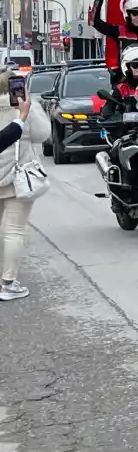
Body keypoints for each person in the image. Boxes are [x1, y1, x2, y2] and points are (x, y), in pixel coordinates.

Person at [0, 94, 34, 301]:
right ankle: (8, 284)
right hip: (16, 176)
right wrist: (22, 116)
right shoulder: (25, 105)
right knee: (14, 231)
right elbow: (42, 133)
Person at [98, 45, 138, 118]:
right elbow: (108, 111)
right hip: (129, 128)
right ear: (127, 66)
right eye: (135, 65)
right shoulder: (120, 89)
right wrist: (117, 118)